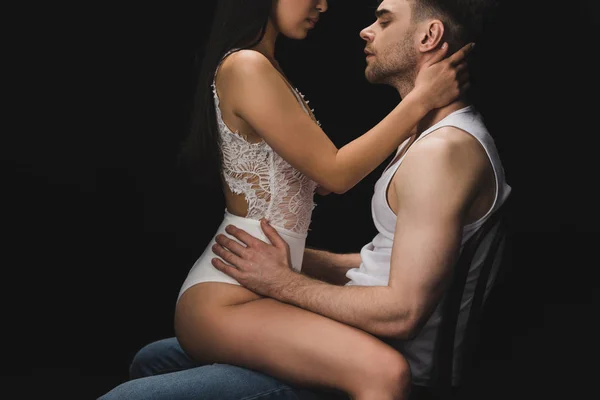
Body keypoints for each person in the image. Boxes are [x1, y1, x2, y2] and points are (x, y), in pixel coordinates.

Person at [98, 0, 476, 398]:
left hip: (257, 284)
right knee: (381, 373)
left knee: (153, 359)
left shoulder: (269, 68)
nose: (323, 5)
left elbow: (325, 178)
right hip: (228, 296)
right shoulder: (246, 65)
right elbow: (337, 174)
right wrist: (422, 99)